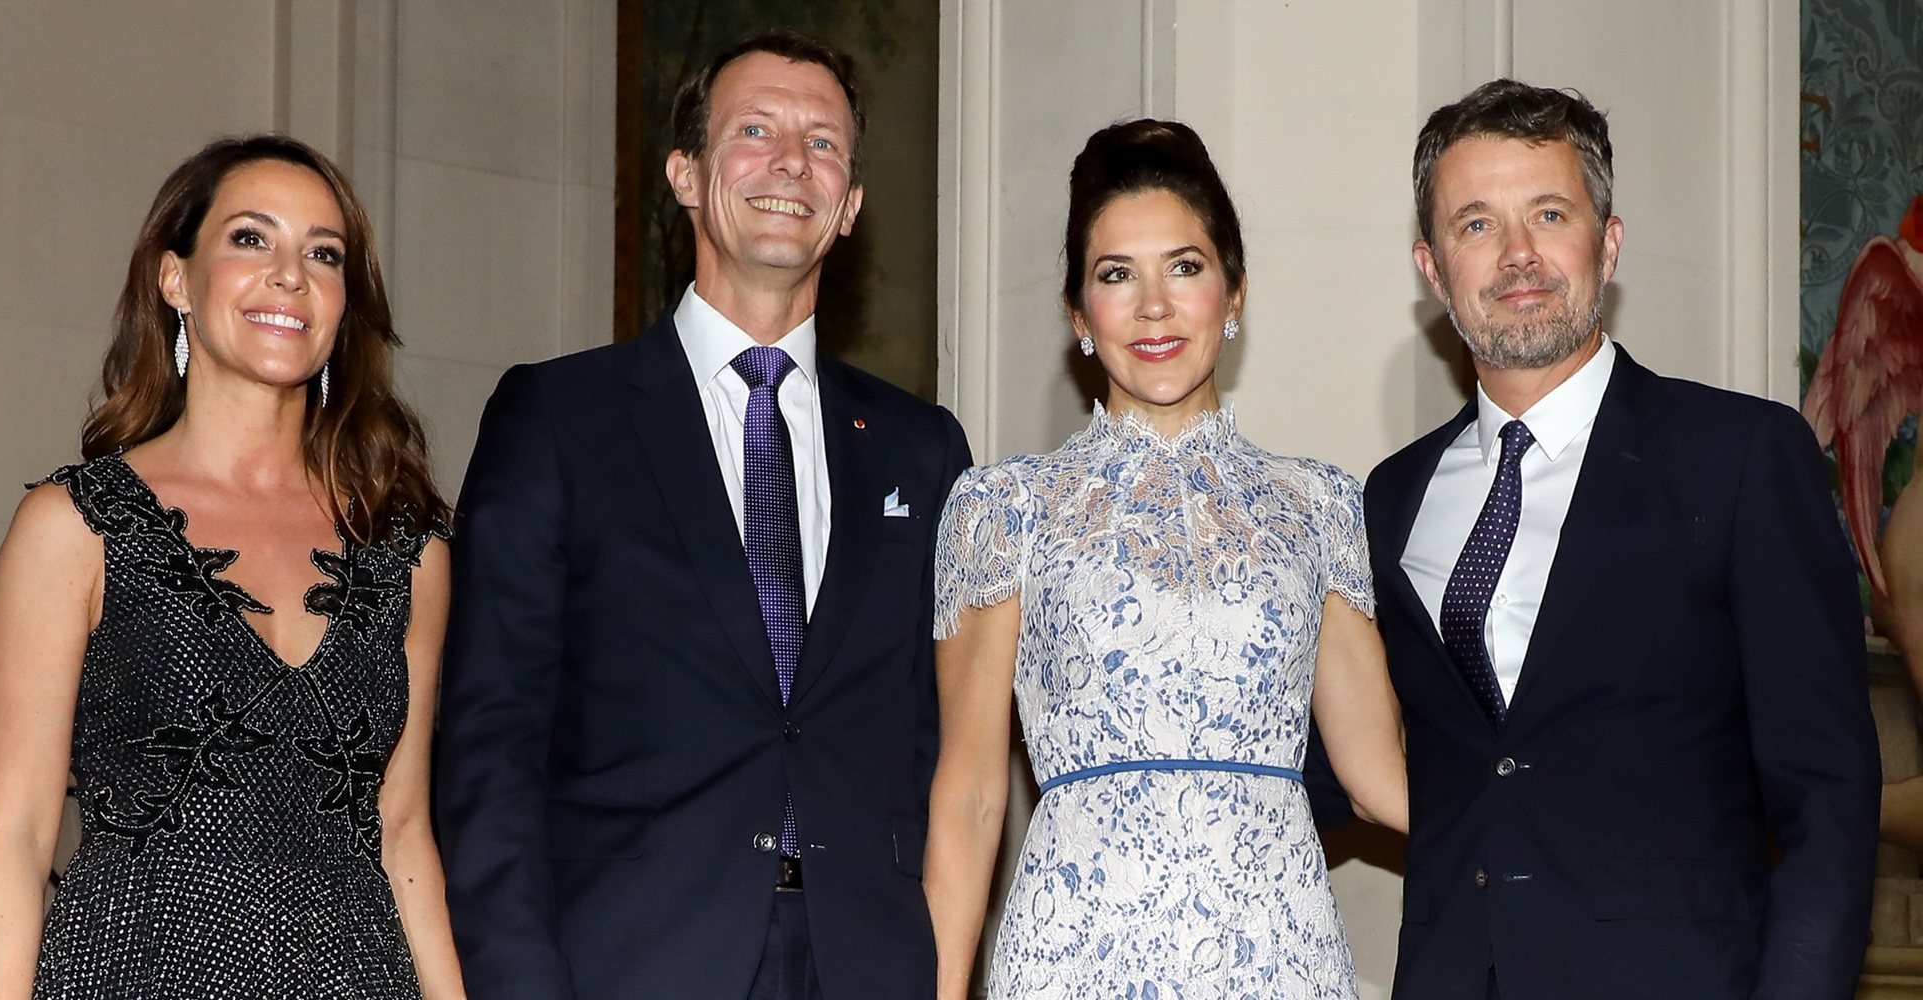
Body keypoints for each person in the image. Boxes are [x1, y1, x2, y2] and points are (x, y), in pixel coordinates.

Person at [433, 30, 972, 1000]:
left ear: (848, 205)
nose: (788, 163)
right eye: (755, 129)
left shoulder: (920, 450)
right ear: (684, 174)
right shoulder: (556, 420)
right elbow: (488, 749)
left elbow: (939, 746)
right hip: (626, 962)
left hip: (865, 962)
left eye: (821, 144)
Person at [1375, 79, 1879, 1000]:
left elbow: (1829, 796)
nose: (1518, 255)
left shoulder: (1741, 457)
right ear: (1431, 265)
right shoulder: (1392, 497)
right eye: (1477, 224)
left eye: (1550, 213)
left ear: (1607, 244)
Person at [0, 135, 464, 998]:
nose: (290, 274)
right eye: (249, 238)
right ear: (175, 279)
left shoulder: (407, 550)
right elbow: (14, 839)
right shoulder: (76, 528)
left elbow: (404, 830)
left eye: (323, 252)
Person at [926, 119, 1409, 1000]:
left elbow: (1379, 778)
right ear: (1079, 313)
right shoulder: (1004, 510)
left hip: (1279, 957)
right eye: (1117, 276)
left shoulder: (1321, 506)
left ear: (1234, 296)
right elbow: (968, 798)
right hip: (1074, 955)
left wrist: (1556, 827)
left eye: (1184, 267)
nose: (1154, 306)